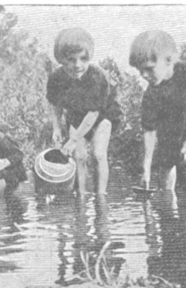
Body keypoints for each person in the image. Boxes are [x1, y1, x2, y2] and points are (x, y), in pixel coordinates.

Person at [129, 30, 186, 202]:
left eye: (149, 69)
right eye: (140, 71)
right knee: (166, 165)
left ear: (168, 60)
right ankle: (168, 208)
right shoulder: (151, 94)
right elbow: (149, 132)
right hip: (170, 127)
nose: (144, 75)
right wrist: (146, 169)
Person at [46, 27, 121, 196]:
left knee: (98, 153)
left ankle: (100, 196)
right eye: (71, 60)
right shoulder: (57, 78)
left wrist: (72, 139)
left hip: (103, 115)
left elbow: (93, 114)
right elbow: (55, 104)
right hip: (77, 116)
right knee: (79, 156)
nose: (78, 65)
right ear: (61, 59)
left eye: (83, 59)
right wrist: (56, 128)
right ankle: (81, 196)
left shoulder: (97, 76)